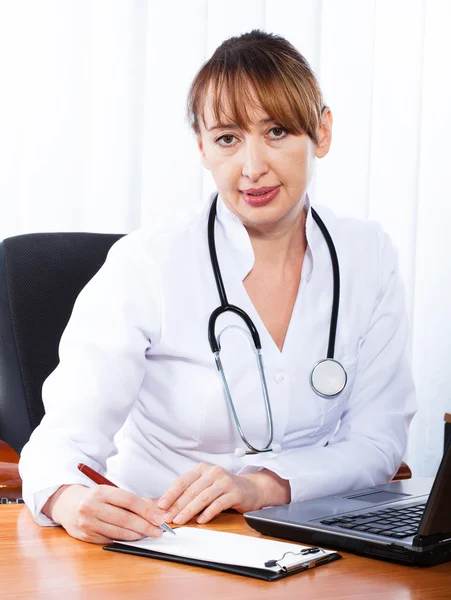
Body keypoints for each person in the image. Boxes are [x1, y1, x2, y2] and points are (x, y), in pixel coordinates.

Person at [19, 29, 416, 544]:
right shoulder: (148, 263)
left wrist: (261, 486)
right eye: (228, 138)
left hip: (310, 541)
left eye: (276, 132)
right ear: (202, 148)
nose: (252, 167)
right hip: (159, 543)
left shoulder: (368, 256)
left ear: (322, 132)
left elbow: (378, 441)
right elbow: (57, 445)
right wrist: (70, 500)